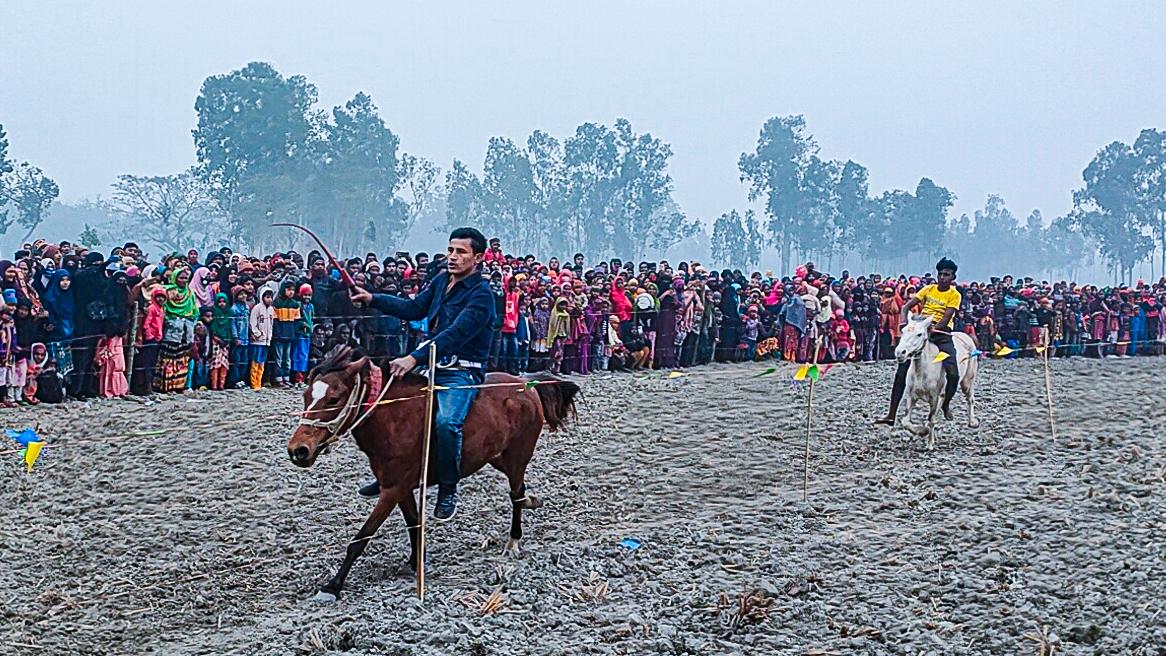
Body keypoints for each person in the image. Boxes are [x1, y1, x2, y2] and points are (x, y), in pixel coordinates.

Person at [349, 227, 496, 522]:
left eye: (461, 252)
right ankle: (391, 473)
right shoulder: (442, 281)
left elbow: (454, 335)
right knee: (384, 405)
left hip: (460, 372)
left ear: (477, 258)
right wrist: (373, 299)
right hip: (429, 364)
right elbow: (414, 308)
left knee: (446, 422)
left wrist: (413, 357)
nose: (452, 257)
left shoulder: (483, 295)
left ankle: (448, 487)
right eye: (451, 250)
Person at [875, 258, 962, 425]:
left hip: (941, 333)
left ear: (953, 277)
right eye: (941, 274)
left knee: (953, 372)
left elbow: (947, 317)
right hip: (921, 328)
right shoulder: (928, 289)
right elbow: (906, 307)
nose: (943, 277)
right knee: (902, 369)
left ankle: (946, 404)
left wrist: (932, 328)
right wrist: (904, 322)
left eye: (947, 275)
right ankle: (891, 414)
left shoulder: (954, 295)